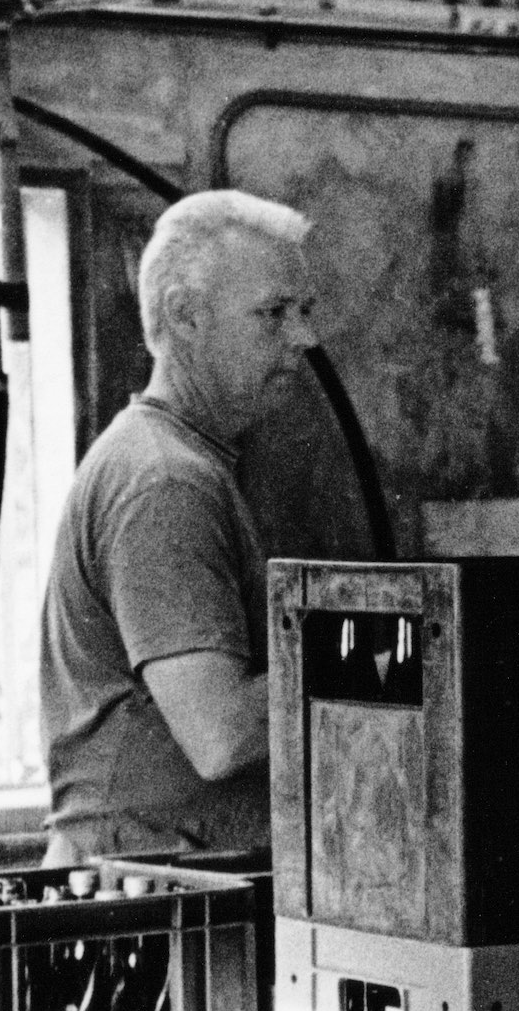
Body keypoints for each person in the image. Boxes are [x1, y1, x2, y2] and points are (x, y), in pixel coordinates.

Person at [39, 187, 322, 861]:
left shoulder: (182, 460)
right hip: (151, 902)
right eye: (272, 314)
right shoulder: (165, 481)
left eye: (305, 310)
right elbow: (220, 733)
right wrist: (383, 664)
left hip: (170, 877)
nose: (305, 338)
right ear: (185, 316)